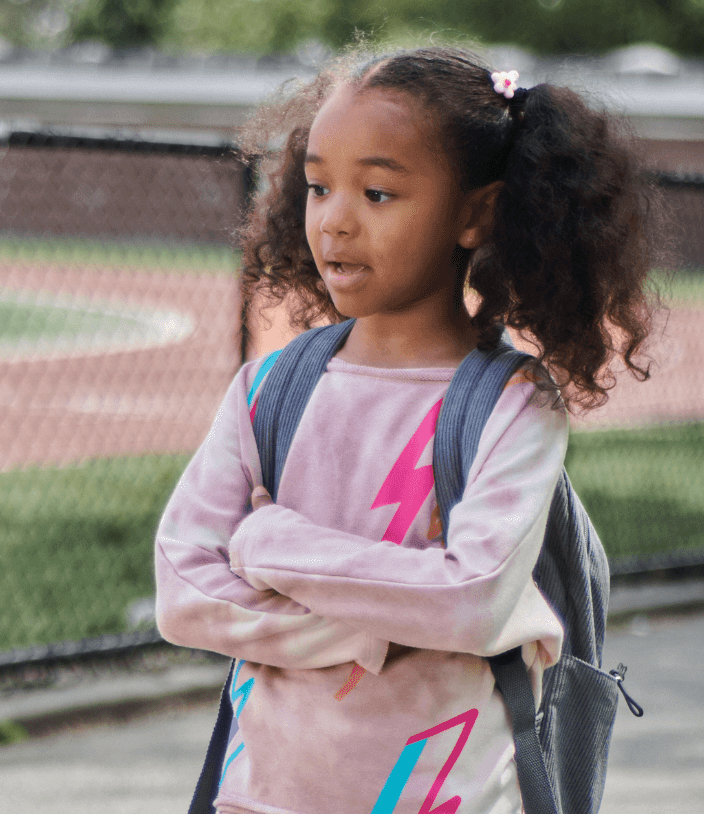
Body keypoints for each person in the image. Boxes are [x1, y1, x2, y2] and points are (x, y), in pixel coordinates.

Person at [155, 46, 657, 814]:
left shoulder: (512, 403)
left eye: (379, 193)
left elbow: (470, 601)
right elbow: (184, 591)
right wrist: (377, 629)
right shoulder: (269, 390)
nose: (336, 221)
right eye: (320, 187)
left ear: (475, 213)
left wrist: (269, 546)